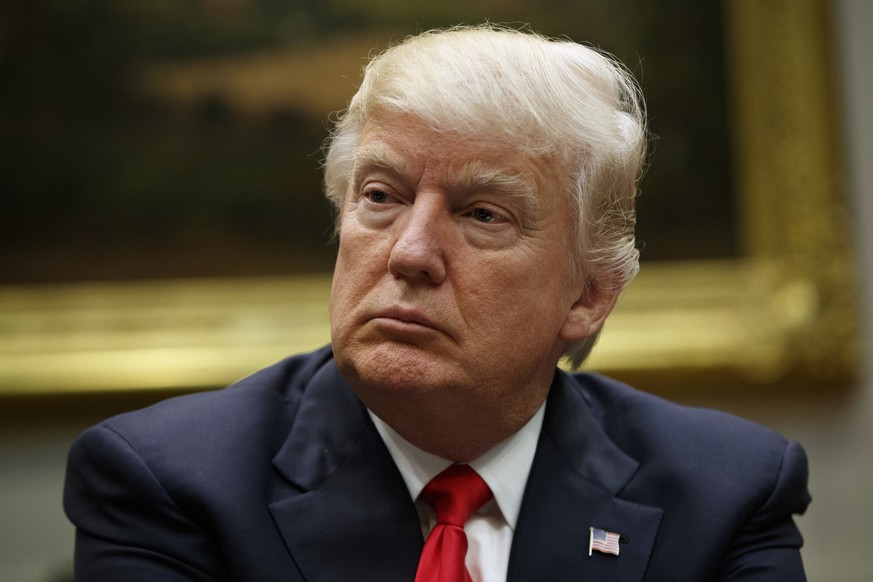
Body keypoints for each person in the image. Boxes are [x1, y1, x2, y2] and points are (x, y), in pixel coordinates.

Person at [64, 24, 811, 581]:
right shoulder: (168, 485)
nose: (410, 252)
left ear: (587, 296)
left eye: (483, 214)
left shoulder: (723, 495)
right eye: (380, 197)